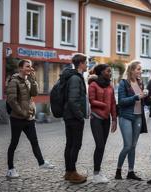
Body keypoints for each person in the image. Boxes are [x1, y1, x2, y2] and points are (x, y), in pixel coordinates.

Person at [6, 59, 54, 178]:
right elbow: (12, 100)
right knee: (14, 143)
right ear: (20, 68)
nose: (30, 68)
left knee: (34, 141)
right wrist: (22, 112)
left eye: (30, 66)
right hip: (17, 118)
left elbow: (35, 93)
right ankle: (10, 169)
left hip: (29, 117)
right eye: (27, 66)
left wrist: (33, 79)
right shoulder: (14, 81)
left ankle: (41, 163)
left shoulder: (28, 80)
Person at [115, 60, 148, 181]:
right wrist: (136, 97)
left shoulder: (140, 82)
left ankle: (130, 172)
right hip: (126, 116)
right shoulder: (124, 83)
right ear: (132, 70)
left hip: (138, 116)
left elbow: (142, 100)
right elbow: (122, 101)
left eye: (141, 69)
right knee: (128, 145)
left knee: (133, 146)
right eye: (138, 69)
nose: (140, 71)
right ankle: (118, 170)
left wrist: (146, 96)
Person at [88, 64, 117, 183]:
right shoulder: (93, 84)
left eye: (110, 71)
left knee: (102, 147)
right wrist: (105, 105)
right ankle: (95, 174)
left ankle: (98, 172)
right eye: (108, 71)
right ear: (101, 72)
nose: (110, 73)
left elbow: (114, 103)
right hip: (96, 118)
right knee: (99, 145)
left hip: (106, 120)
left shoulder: (110, 85)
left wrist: (114, 119)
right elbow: (91, 100)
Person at [62, 53, 88, 183]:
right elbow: (73, 100)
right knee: (75, 145)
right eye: (86, 62)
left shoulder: (74, 77)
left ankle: (68, 172)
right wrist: (80, 116)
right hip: (73, 117)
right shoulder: (75, 78)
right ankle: (72, 172)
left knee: (70, 144)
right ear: (81, 63)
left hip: (69, 116)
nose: (87, 65)